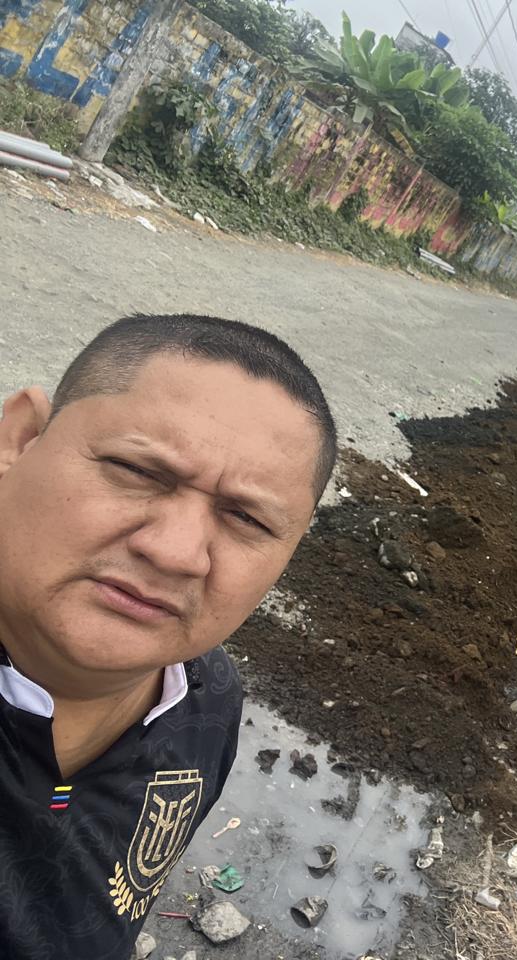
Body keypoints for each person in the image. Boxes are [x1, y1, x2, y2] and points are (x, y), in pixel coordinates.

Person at [0, 314, 336, 959]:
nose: (177, 552)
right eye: (136, 470)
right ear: (20, 439)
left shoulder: (209, 702)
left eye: (246, 518)